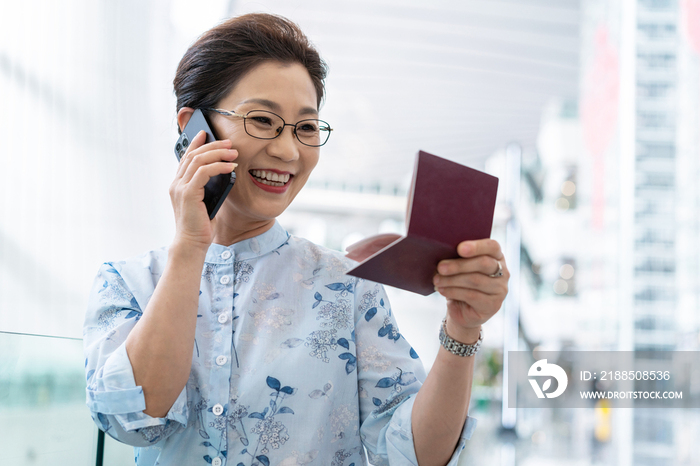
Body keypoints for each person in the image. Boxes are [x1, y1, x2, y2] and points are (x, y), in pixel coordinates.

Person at [83, 13, 509, 466]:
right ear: (195, 127)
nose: (288, 152)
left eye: (306, 128)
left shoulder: (348, 286)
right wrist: (190, 246)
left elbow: (414, 454)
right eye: (263, 120)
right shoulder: (127, 284)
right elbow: (136, 420)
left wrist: (462, 330)